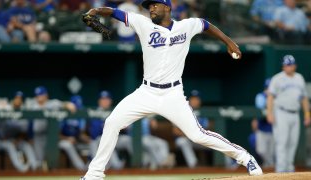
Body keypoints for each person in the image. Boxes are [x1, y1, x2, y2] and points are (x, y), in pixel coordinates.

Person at [81, 0, 262, 179]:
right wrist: (96, 11)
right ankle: (94, 174)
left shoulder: (186, 26)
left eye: (155, 5)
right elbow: (115, 12)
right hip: (146, 92)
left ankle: (245, 158)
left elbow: (206, 25)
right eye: (149, 6)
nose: (151, 8)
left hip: (172, 95)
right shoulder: (143, 23)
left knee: (198, 135)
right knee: (112, 122)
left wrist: (229, 42)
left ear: (167, 7)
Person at [267, 54, 311, 172]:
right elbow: (270, 97)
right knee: (282, 141)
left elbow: (304, 98)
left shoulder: (299, 78)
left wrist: (307, 114)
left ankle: (289, 169)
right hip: (281, 112)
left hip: (295, 114)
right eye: (286, 65)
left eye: (290, 65)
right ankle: (281, 171)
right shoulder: (277, 78)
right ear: (283, 67)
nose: (288, 67)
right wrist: (269, 113)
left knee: (293, 142)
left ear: (295, 66)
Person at [26, 86, 76, 169]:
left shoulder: (53, 103)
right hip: (38, 136)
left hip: (51, 136)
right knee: (39, 161)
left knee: (52, 159)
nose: (39, 97)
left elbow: (64, 104)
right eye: (37, 95)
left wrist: (70, 104)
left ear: (46, 95)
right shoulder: (33, 105)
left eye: (41, 94)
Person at [0, 91, 39, 172]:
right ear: (13, 99)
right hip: (0, 141)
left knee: (26, 145)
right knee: (9, 145)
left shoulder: (23, 113)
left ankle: (34, 167)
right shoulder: (5, 108)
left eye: (20, 99)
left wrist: (18, 138)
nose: (18, 100)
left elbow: (23, 130)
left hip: (15, 139)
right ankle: (21, 169)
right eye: (16, 98)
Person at [88, 91, 128, 170]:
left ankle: (138, 166)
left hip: (117, 137)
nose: (105, 101)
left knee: (128, 140)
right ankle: (116, 165)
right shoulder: (94, 112)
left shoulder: (115, 110)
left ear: (110, 101)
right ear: (99, 101)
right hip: (100, 139)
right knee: (106, 140)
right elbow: (94, 133)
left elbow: (125, 129)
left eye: (107, 99)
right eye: (103, 99)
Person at [172, 90, 212, 168]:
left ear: (199, 101)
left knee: (215, 141)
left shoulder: (203, 113)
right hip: (184, 139)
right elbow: (175, 131)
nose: (195, 101)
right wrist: (188, 134)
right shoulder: (182, 111)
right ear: (189, 100)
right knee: (182, 142)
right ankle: (193, 165)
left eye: (197, 99)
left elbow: (206, 129)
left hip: (198, 140)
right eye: (193, 99)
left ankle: (228, 165)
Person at [59, 95, 90, 171]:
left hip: (76, 141)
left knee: (92, 143)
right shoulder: (62, 115)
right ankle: (81, 168)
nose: (77, 109)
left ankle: (92, 167)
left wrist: (87, 138)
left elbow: (80, 133)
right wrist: (67, 138)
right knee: (68, 145)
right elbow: (55, 134)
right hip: (61, 141)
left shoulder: (80, 116)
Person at [253, 78, 274, 168]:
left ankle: (270, 167)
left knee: (272, 152)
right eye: (267, 87)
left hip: (274, 129)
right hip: (262, 127)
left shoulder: (276, 96)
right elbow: (260, 107)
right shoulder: (260, 96)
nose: (268, 89)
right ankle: (270, 164)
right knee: (261, 150)